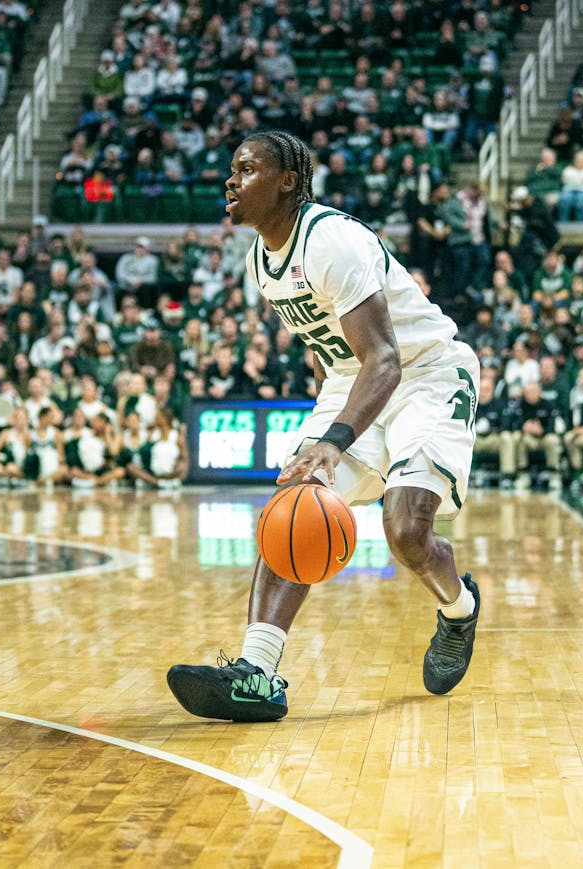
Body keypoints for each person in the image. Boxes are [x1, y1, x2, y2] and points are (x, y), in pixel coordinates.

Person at [167, 130, 482, 722]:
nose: (230, 181)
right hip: (353, 375)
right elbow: (326, 345)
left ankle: (460, 610)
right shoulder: (261, 261)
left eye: (246, 169)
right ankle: (258, 673)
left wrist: (335, 441)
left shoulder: (330, 240)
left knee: (406, 531)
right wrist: (327, 429)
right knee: (294, 507)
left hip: (426, 373)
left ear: (287, 181)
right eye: (231, 170)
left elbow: (385, 356)